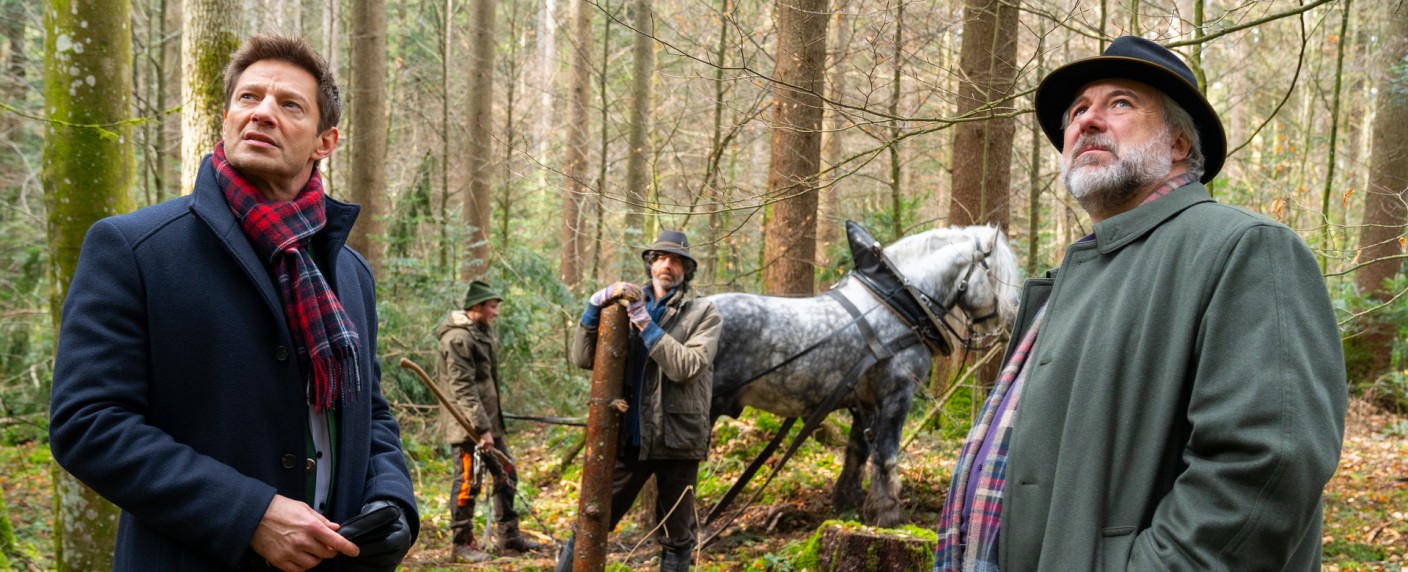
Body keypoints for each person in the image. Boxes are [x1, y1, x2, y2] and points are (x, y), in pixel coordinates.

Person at [933, 36, 1347, 571]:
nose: (1088, 120)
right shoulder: (1072, 279)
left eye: (1120, 103)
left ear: (1178, 143)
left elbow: (1266, 467)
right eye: (1078, 109)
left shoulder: (1246, 249)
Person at [49, 34, 418, 571]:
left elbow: (370, 411)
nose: (263, 113)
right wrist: (250, 514)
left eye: (290, 104)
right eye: (249, 98)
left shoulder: (349, 272)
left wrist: (392, 502)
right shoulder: (135, 249)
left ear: (325, 142)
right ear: (226, 118)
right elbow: (87, 423)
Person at [556, 230, 723, 572]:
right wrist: (593, 307)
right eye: (660, 258)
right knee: (592, 520)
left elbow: (687, 367)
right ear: (650, 264)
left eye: (676, 260)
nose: (667, 265)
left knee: (678, 537)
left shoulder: (703, 312)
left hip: (678, 441)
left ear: (686, 270)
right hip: (629, 440)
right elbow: (584, 358)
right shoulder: (623, 307)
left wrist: (645, 324)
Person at [435, 280, 544, 562]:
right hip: (467, 428)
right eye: (492, 307)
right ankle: (461, 544)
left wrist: (490, 426)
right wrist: (481, 429)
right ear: (477, 307)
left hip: (487, 425)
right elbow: (463, 388)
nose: (496, 313)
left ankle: (508, 538)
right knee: (468, 482)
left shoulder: (480, 332)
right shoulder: (458, 338)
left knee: (506, 473)